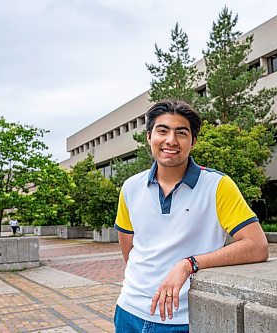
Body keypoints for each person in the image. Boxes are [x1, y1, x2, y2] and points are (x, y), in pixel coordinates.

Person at [114, 100, 269, 332]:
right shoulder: (130, 187)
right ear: (149, 137)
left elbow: (257, 246)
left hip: (186, 319)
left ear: (193, 142)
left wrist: (189, 264)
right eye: (162, 131)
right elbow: (130, 249)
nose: (171, 140)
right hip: (129, 312)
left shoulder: (218, 185)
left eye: (181, 133)